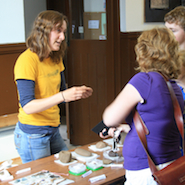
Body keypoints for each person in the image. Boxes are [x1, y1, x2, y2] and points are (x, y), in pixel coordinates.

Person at [99, 27, 184, 185]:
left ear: (143, 52)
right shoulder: (175, 88)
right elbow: (159, 124)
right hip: (171, 164)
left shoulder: (145, 81)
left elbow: (109, 118)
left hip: (146, 170)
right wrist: (127, 128)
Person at [14, 10, 93, 164]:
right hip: (33, 134)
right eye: (58, 31)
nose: (62, 37)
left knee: (67, 169)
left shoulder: (56, 58)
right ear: (43, 31)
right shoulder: (26, 61)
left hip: (53, 129)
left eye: (63, 32)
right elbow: (28, 106)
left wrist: (75, 93)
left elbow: (59, 95)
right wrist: (63, 96)